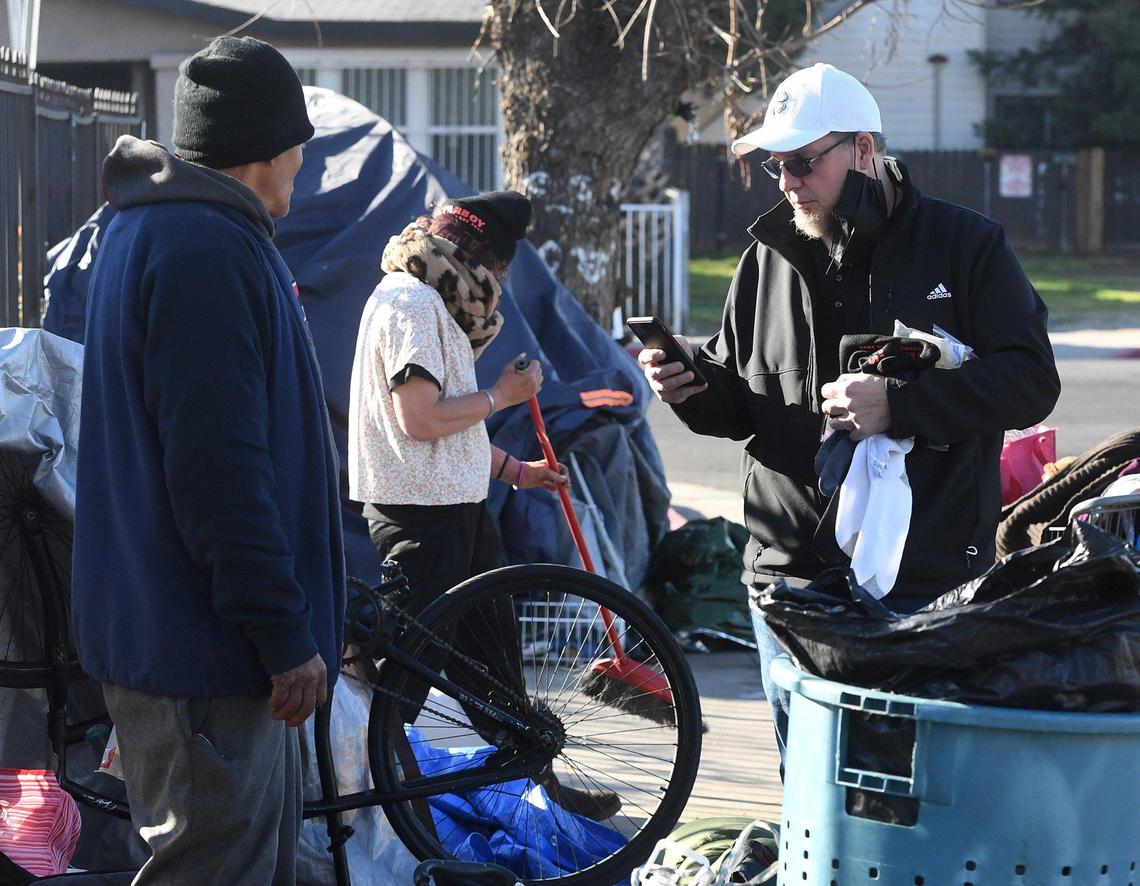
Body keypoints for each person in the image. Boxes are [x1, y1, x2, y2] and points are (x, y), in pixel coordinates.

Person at [638, 63, 1060, 762]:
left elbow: (1030, 381)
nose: (788, 184)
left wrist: (900, 405)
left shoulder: (966, 244)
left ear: (864, 150)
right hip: (790, 572)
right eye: (776, 167)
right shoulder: (766, 257)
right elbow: (740, 400)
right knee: (806, 787)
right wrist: (689, 384)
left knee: (909, 791)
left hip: (925, 580)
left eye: (803, 162)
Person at [72, 36, 344, 883]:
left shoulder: (162, 226)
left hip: (191, 644)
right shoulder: (202, 248)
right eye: (299, 141)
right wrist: (279, 629)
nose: (305, 160)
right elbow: (218, 470)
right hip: (207, 656)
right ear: (266, 147)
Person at [348, 192, 619, 819]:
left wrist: (514, 471)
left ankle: (538, 787)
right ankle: (366, 807)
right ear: (481, 259)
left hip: (457, 504)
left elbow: (450, 423)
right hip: (420, 511)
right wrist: (504, 393)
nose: (498, 286)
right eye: (500, 271)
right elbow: (420, 420)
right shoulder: (412, 303)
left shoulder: (431, 299)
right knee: (404, 679)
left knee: (492, 667)